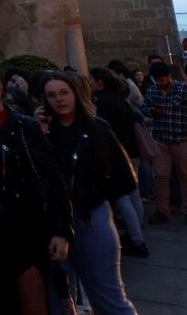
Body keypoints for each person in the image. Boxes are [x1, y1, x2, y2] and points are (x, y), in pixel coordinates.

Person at [0, 60, 70, 315]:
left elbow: (53, 178)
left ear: (3, 85)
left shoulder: (25, 126)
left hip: (27, 229)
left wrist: (63, 230)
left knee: (33, 303)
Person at [42, 73, 139, 315]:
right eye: (52, 95)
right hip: (52, 224)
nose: (59, 100)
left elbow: (124, 179)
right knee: (60, 300)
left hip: (90, 219)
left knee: (108, 298)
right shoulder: (42, 132)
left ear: (75, 93)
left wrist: (91, 197)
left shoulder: (97, 129)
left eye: (64, 93)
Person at [89, 67, 148, 257]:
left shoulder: (103, 101)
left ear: (100, 82)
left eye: (91, 79)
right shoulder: (119, 97)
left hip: (118, 154)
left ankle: (137, 240)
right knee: (134, 194)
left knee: (123, 198)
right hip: (131, 150)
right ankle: (137, 231)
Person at [143, 61, 187, 227]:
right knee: (160, 177)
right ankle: (162, 211)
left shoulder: (185, 90)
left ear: (169, 76)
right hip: (160, 141)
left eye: (163, 79)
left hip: (182, 141)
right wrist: (152, 111)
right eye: (157, 80)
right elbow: (145, 108)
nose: (160, 83)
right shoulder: (152, 91)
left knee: (186, 177)